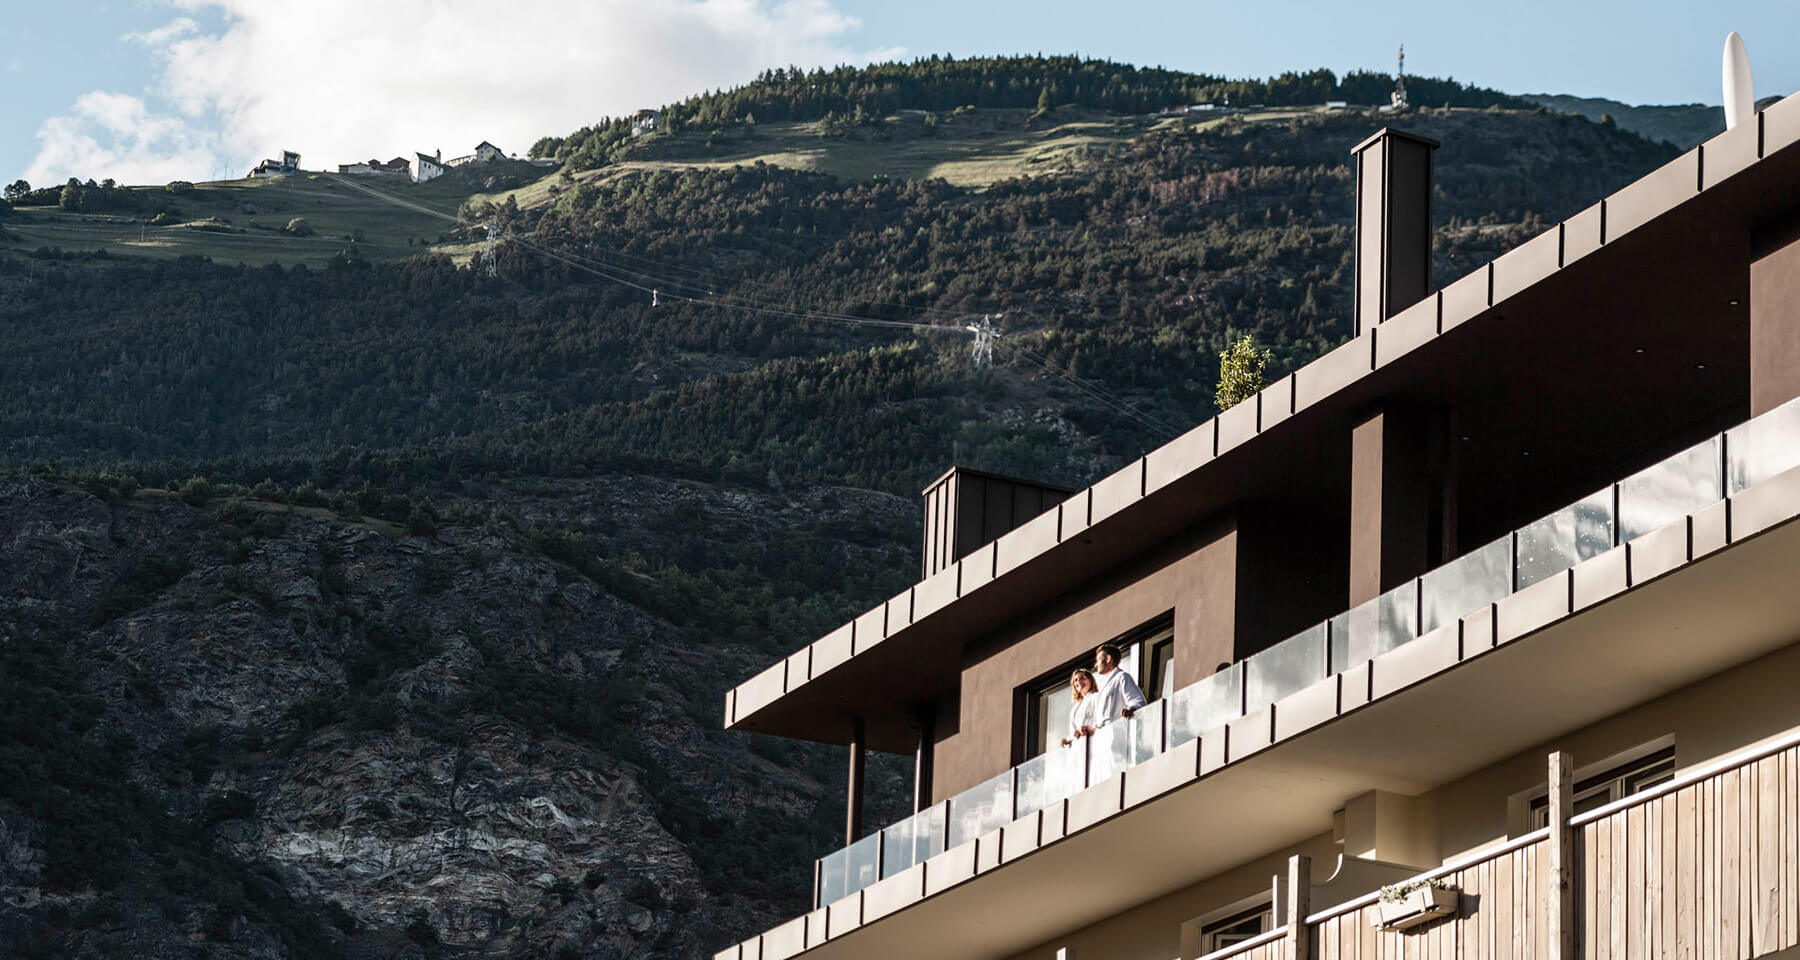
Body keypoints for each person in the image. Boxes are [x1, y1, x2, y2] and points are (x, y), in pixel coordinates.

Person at [1091, 642, 1146, 724]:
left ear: (1108, 659)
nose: (1095, 665)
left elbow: (1138, 702)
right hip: (1105, 731)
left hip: (1118, 729)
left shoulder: (1122, 677)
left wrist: (1131, 710)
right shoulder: (1103, 688)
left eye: (1098, 660)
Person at [1061, 667, 1101, 747]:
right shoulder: (1075, 708)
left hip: (1094, 742)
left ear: (1090, 680)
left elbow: (1101, 720)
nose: (1078, 682)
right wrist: (1068, 740)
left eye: (1082, 678)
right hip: (1080, 747)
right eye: (1075, 680)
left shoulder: (1097, 697)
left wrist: (1089, 729)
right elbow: (1073, 732)